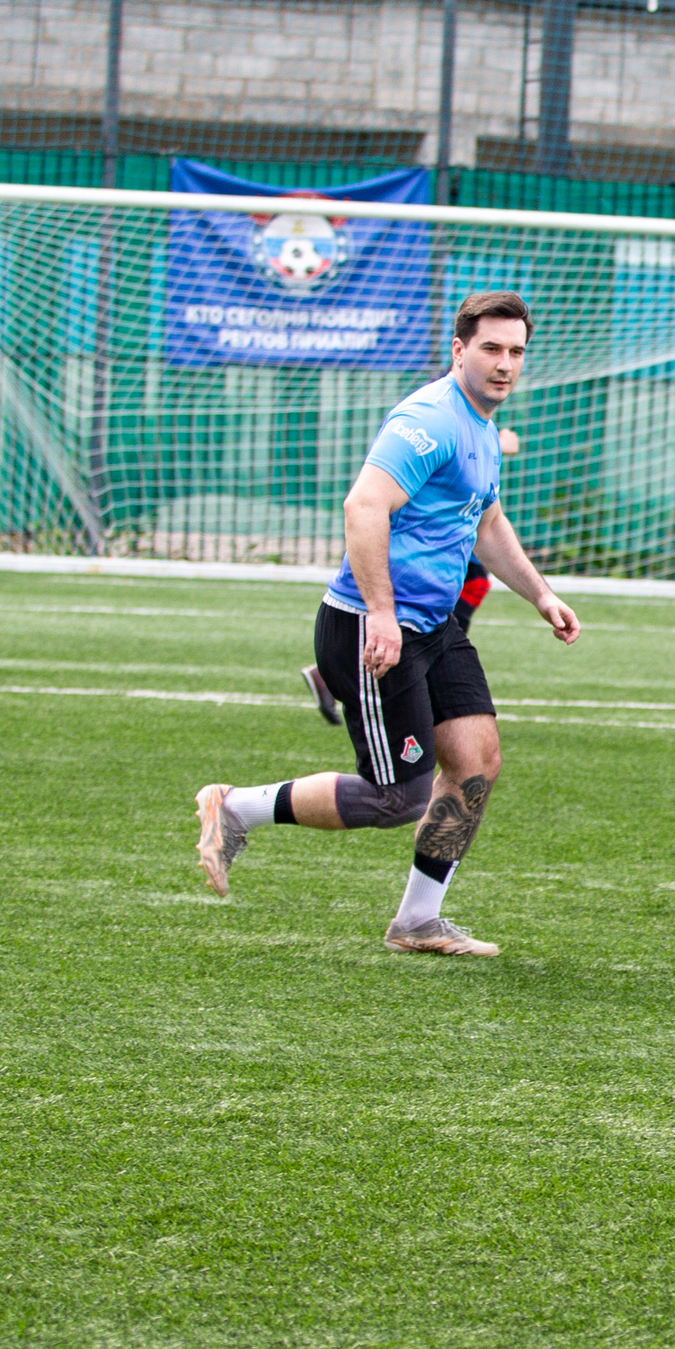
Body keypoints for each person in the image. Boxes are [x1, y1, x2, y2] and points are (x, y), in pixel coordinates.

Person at [194, 292, 580, 955]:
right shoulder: (429, 419)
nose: (504, 364)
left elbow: (486, 523)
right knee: (396, 797)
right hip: (370, 626)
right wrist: (381, 613)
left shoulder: (483, 428)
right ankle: (234, 807)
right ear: (459, 349)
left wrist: (541, 595)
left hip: (432, 625)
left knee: (476, 762)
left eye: (516, 351)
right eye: (491, 348)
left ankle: (418, 922)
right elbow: (364, 505)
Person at [302, 427, 518, 723]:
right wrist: (499, 444)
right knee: (467, 587)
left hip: (452, 532)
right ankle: (357, 668)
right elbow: (446, 448)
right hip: (430, 536)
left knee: (470, 587)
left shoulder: (473, 420)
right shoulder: (432, 417)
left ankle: (431, 667)